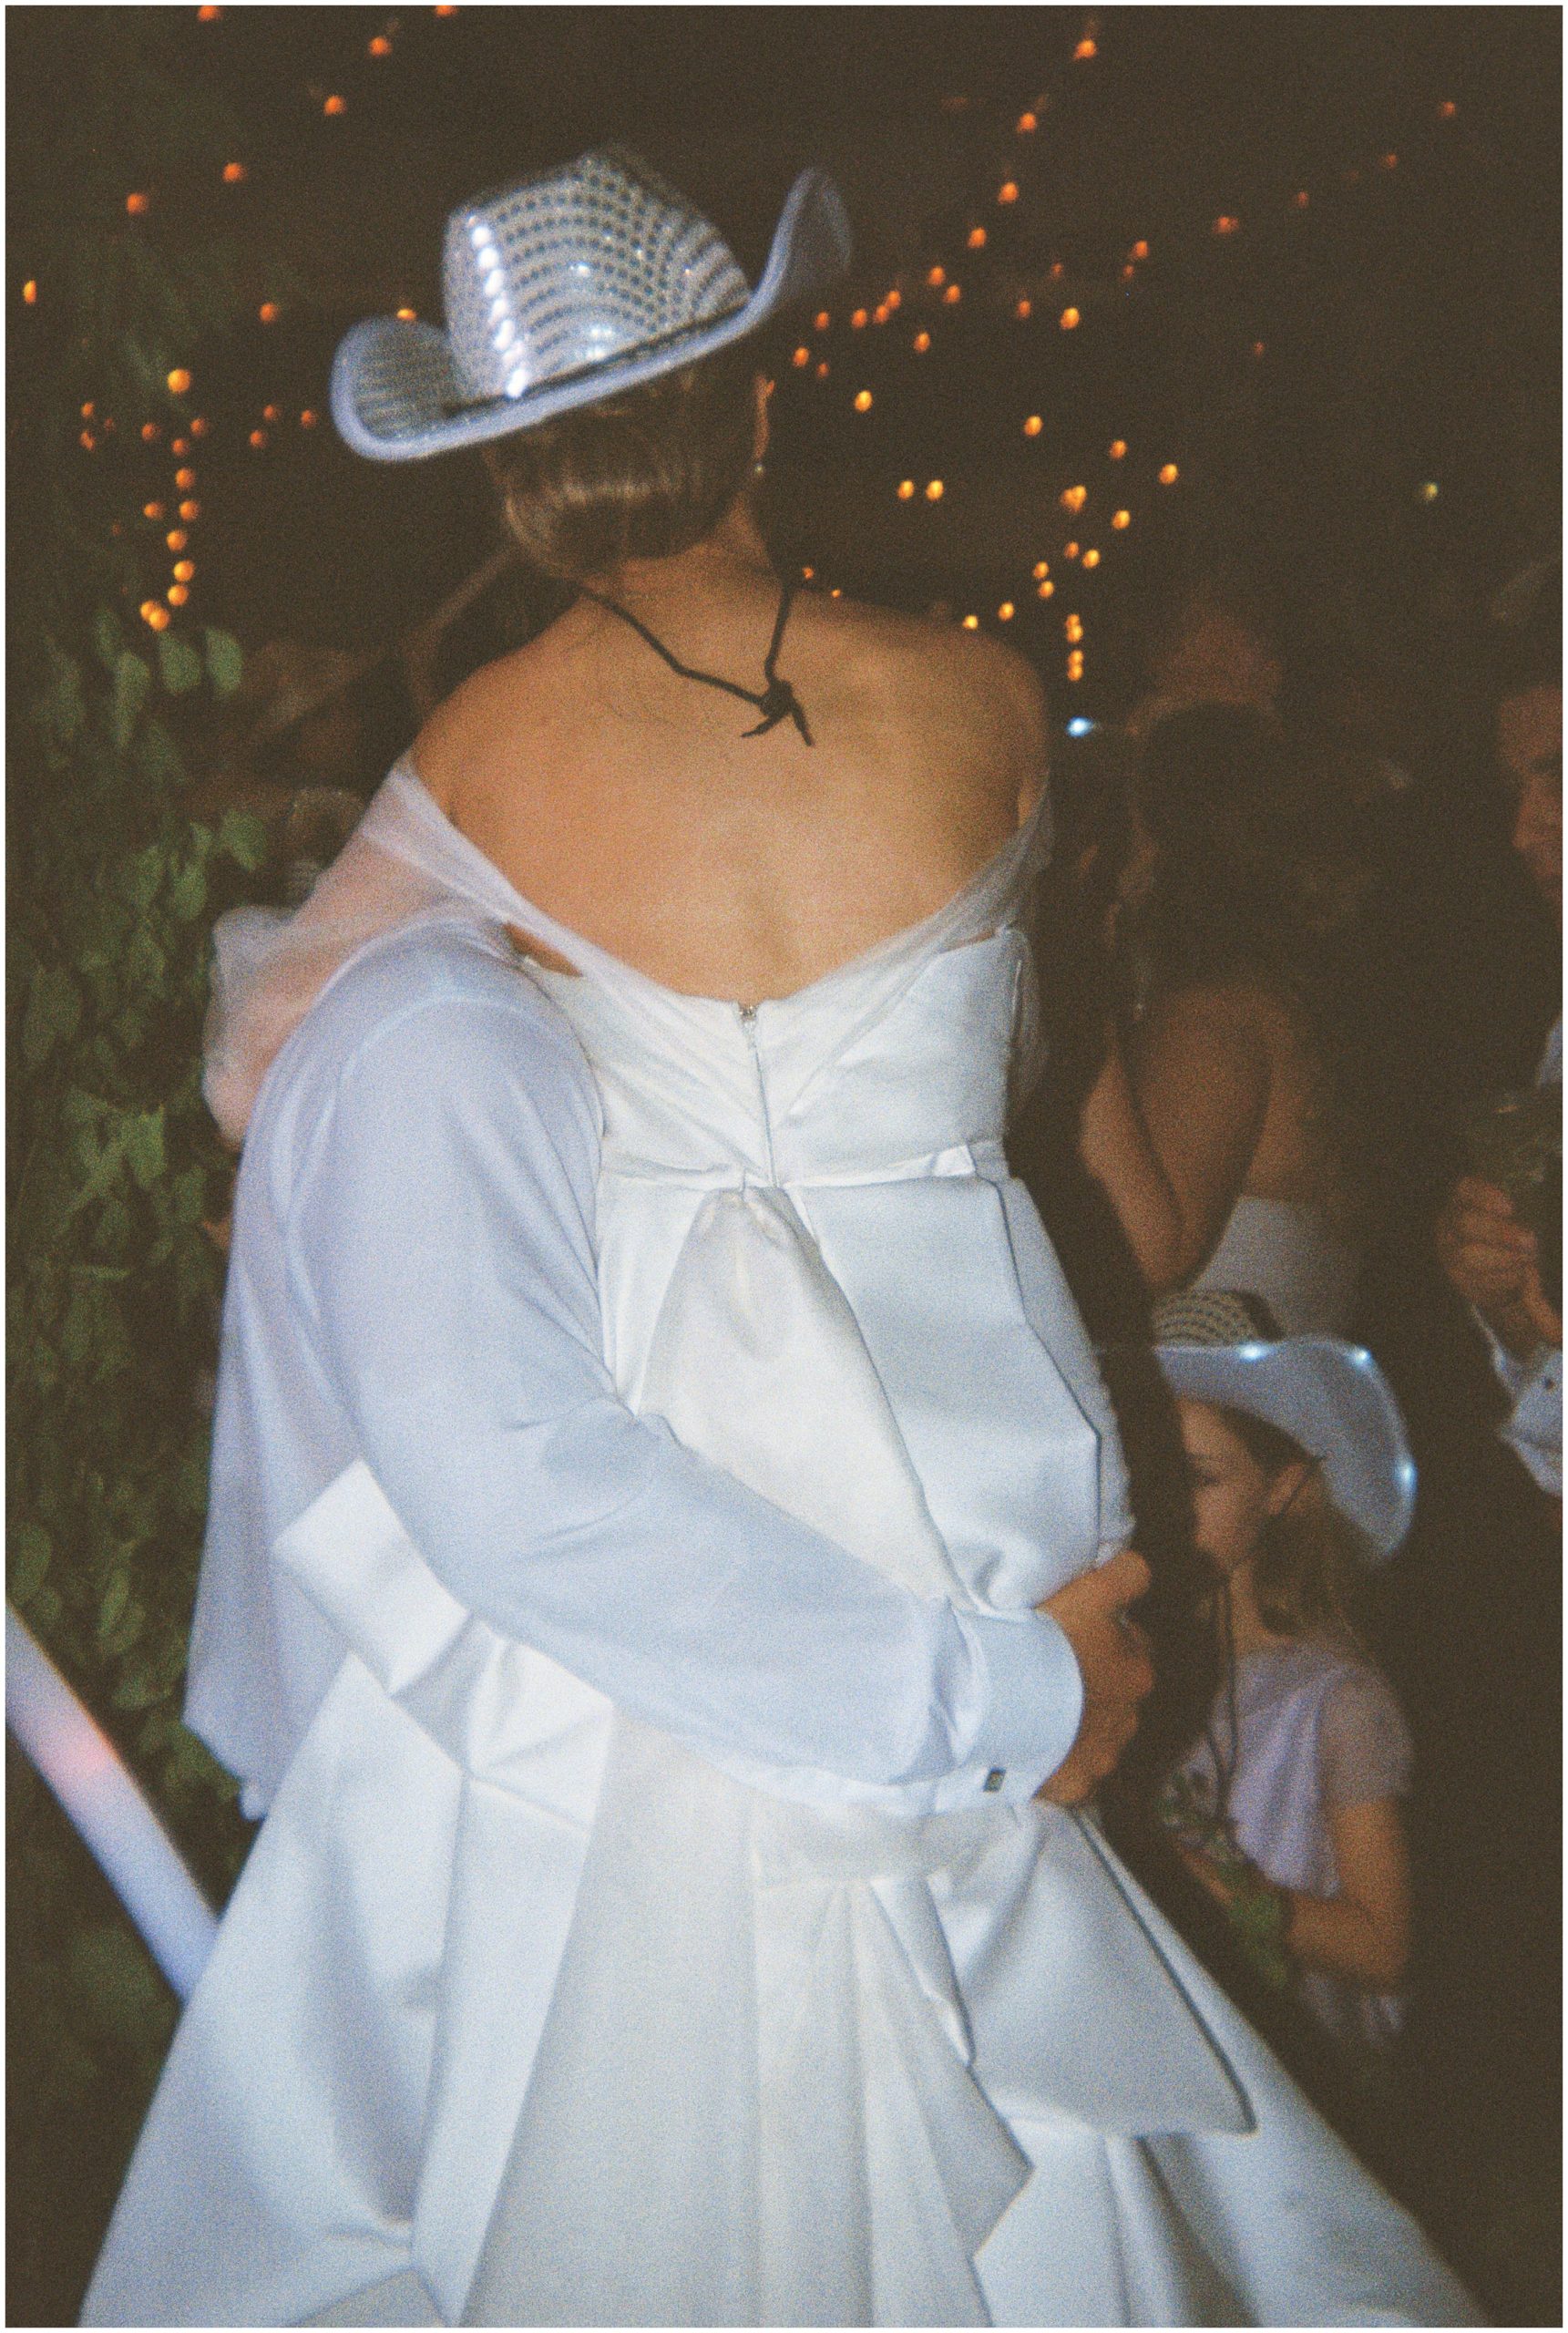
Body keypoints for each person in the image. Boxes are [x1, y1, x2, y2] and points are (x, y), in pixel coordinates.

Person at [85, 149, 1475, 2328]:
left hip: (679, 1490)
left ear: (513, 472)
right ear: (754, 404)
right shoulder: (986, 701)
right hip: (960, 1479)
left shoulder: (476, 749)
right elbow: (1011, 1082)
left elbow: (271, 1061)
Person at [1152, 1291, 1417, 2067]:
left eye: (1196, 1478)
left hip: (1292, 2061)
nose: (1162, 1508)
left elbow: (1382, 1947)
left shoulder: (1332, 1699)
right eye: (1146, 1473)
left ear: (1280, 1490)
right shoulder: (1131, 1665)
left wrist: (1185, 1875)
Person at [1114, 704, 1368, 1333]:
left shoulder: (1212, 1022)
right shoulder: (1275, 1001)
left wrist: (1083, 1028)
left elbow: (1149, 1258)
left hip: (1214, 1390)